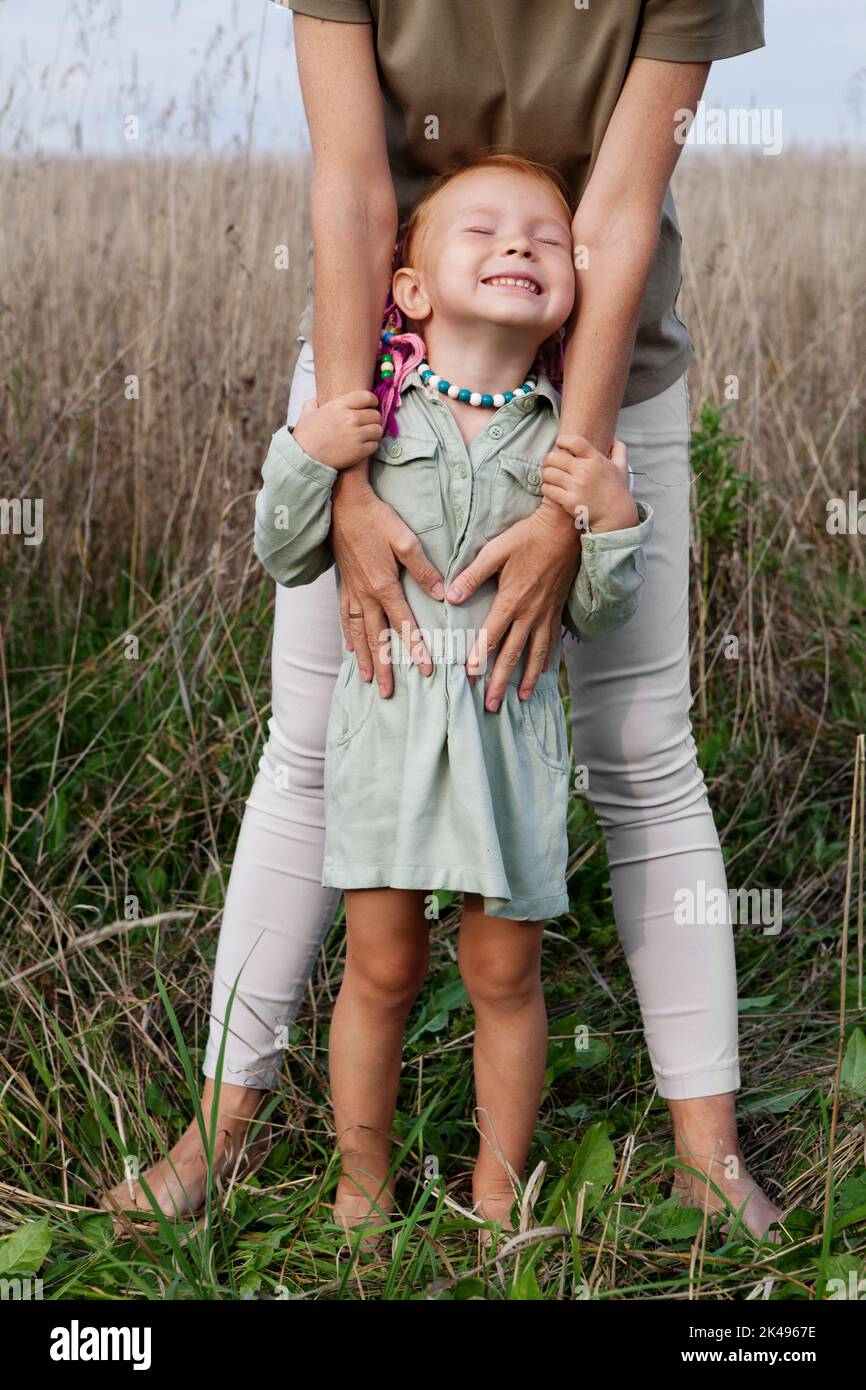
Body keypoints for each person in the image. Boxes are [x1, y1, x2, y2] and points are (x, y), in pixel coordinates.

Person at [102, 0, 784, 1241]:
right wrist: (347, 462)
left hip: (594, 375)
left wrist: (577, 485)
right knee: (309, 745)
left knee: (641, 750)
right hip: (382, 370)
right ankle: (219, 1129)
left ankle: (706, 1154)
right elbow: (356, 188)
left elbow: (618, 211)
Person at [254, 154, 653, 1238]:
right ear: (410, 290)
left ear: (573, 286)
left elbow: (600, 613)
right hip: (384, 744)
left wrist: (608, 518)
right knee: (380, 966)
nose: (517, 243)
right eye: (480, 228)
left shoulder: (566, 446)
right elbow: (286, 556)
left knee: (502, 971)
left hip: (508, 752)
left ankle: (497, 1183)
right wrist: (307, 453)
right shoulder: (372, 428)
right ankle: (361, 1180)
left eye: (542, 233)